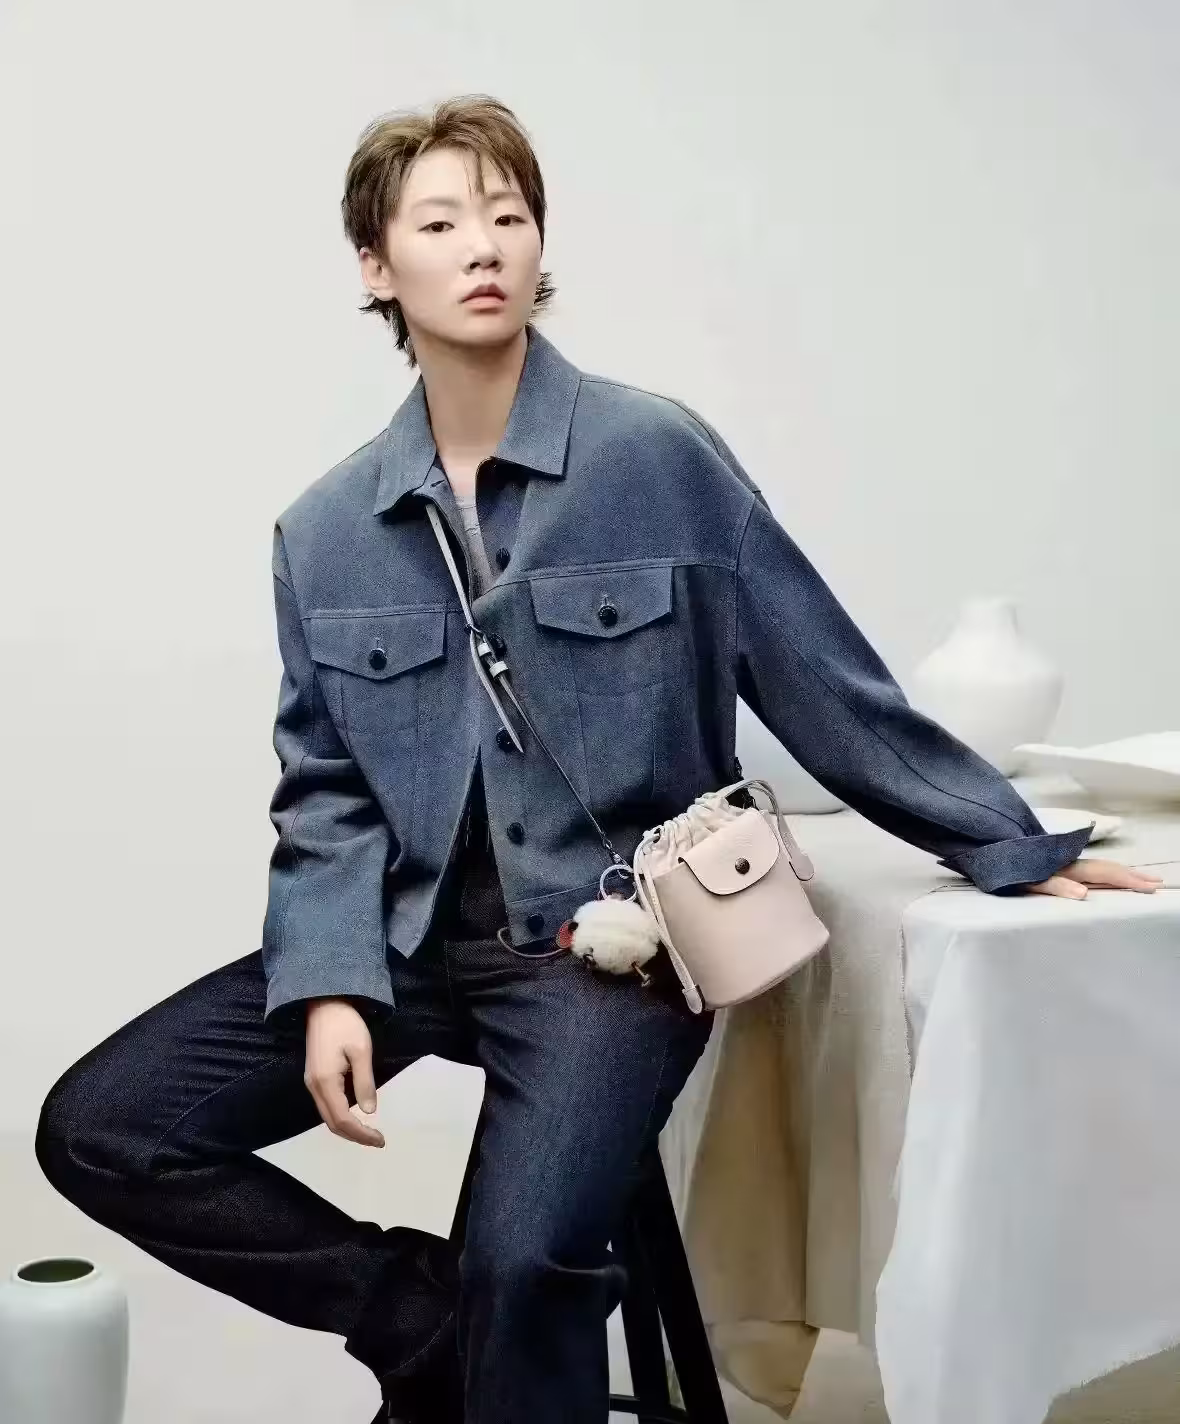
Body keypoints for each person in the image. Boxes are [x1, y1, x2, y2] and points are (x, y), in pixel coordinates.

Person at [33, 94, 1162, 1424]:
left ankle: (479, 1333)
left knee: (527, 1267)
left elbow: (821, 676)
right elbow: (327, 793)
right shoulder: (325, 529)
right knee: (104, 1126)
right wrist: (333, 983)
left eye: (508, 216)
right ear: (376, 267)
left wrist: (1003, 839)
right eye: (440, 224)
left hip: (609, 951)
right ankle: (418, 1322)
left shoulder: (654, 457)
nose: (483, 246)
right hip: (407, 942)